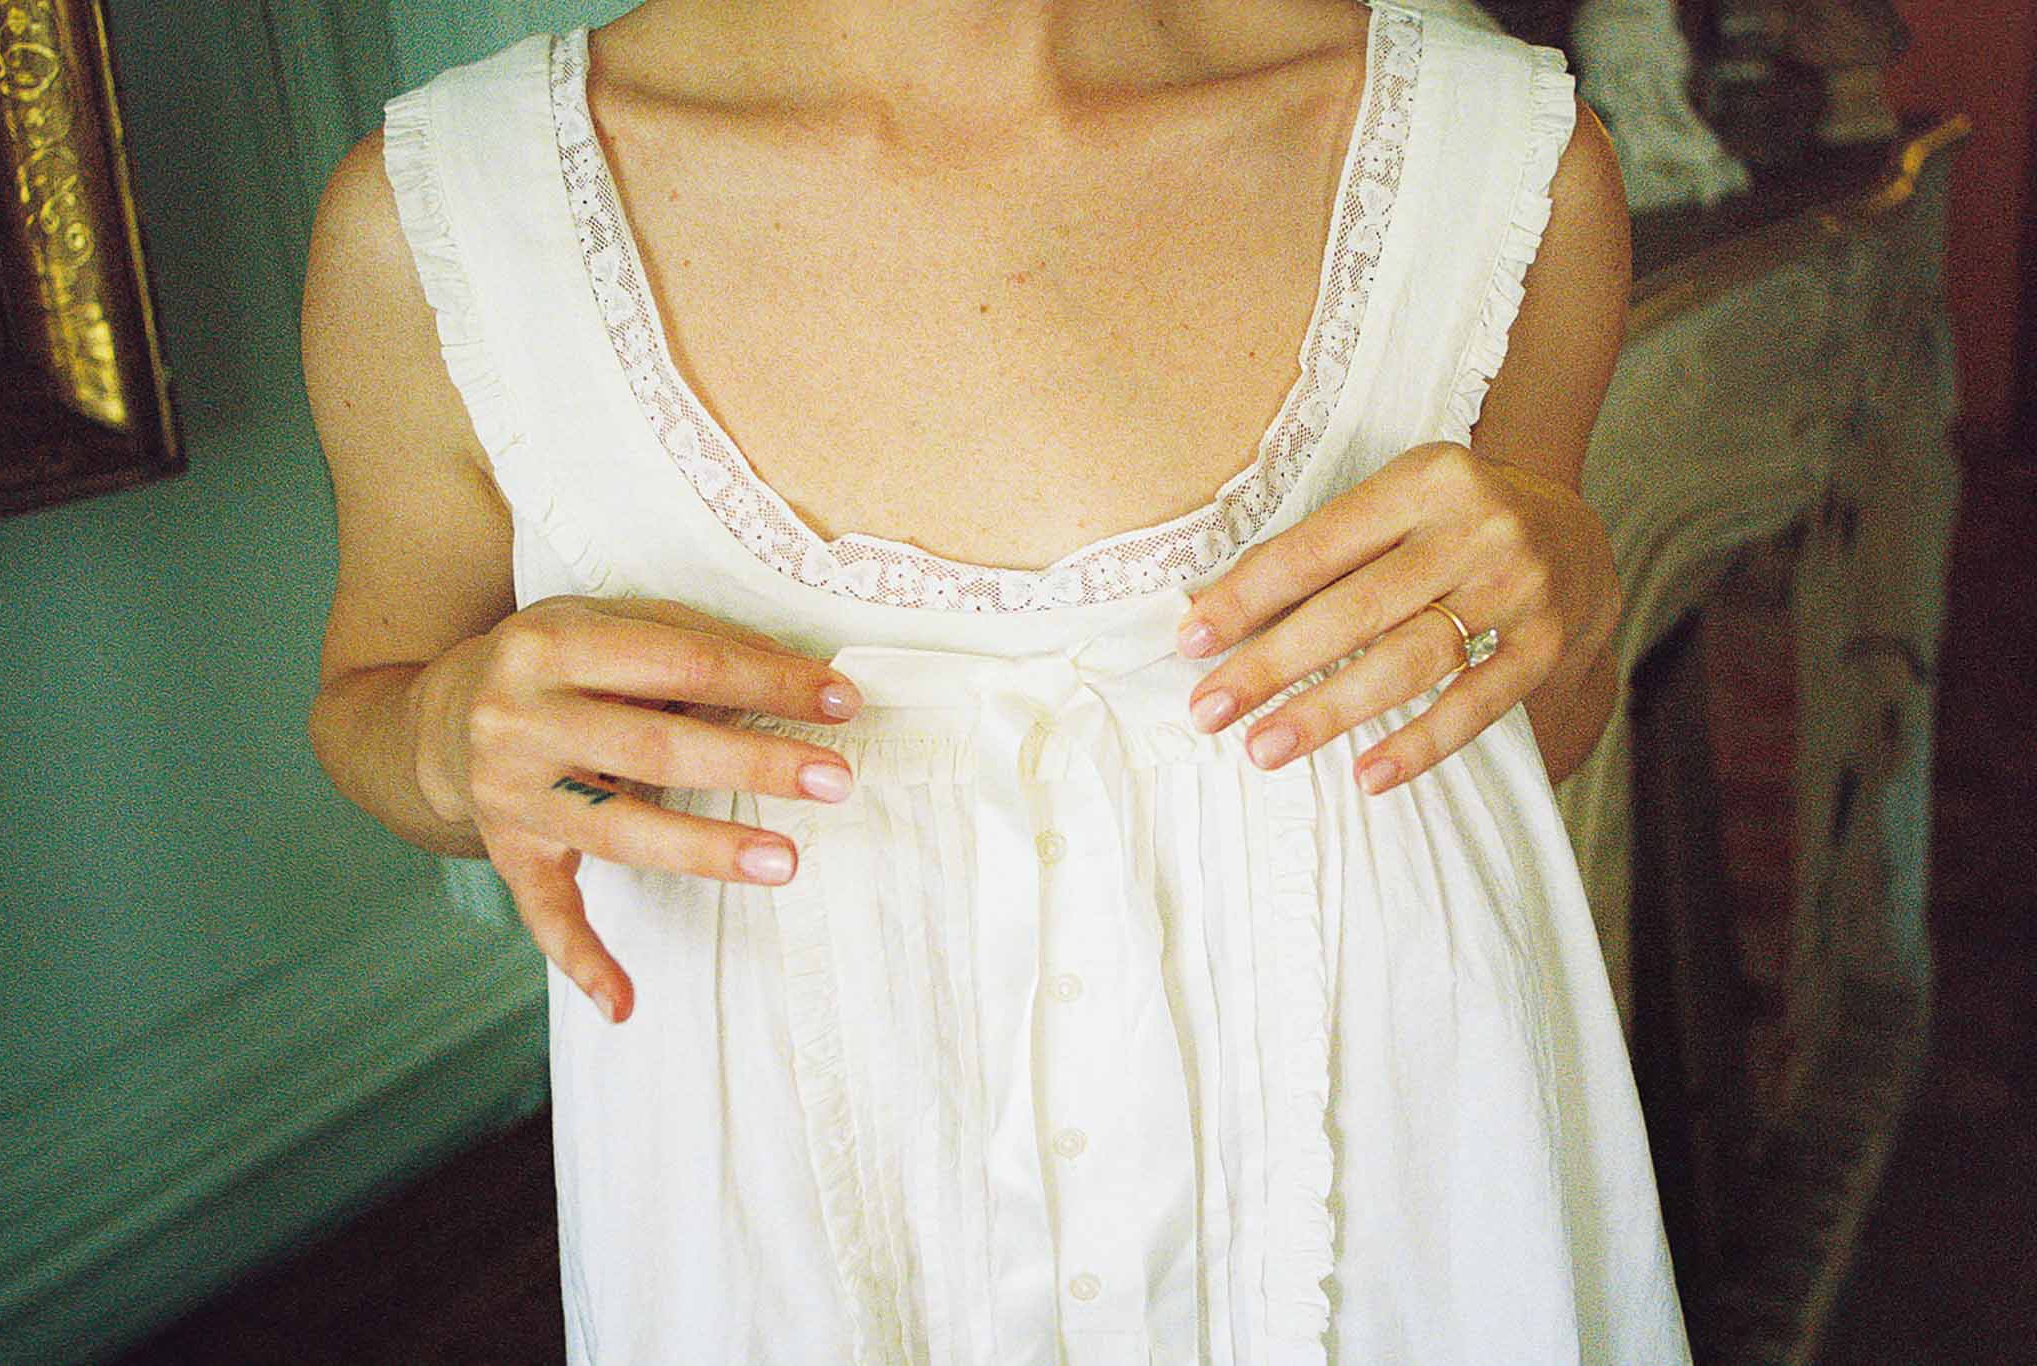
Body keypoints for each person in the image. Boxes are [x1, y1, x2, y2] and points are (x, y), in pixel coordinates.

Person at [301, 0, 1691, 1358]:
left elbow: (1527, 745)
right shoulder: (450, 226)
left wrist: (1577, 588)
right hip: (779, 1279)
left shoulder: (1491, 164)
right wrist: (440, 734)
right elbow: (374, 689)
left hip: (1410, 1252)